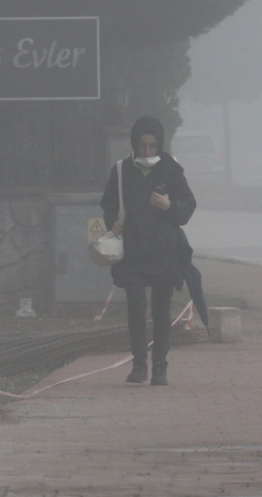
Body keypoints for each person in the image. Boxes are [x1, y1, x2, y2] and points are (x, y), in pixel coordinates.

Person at [101, 116, 196, 386]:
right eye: (142, 146)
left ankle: (160, 367)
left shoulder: (171, 170)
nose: (147, 152)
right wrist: (114, 222)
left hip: (164, 251)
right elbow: (108, 205)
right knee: (136, 306)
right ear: (135, 144)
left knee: (161, 309)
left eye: (152, 146)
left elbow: (187, 207)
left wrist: (169, 205)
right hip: (132, 250)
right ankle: (139, 364)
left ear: (160, 145)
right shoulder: (121, 170)